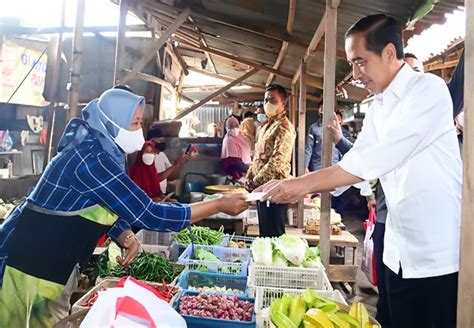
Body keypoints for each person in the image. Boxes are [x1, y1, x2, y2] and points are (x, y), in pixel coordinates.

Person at [256, 14, 461, 328]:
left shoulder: (428, 91)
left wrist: (300, 183)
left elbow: (375, 159)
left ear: (390, 53)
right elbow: (361, 154)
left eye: (360, 62)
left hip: (434, 257)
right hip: (396, 250)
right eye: (352, 64)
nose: (355, 74)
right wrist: (303, 184)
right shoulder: (380, 105)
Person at [0, 88, 248, 326]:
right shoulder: (91, 159)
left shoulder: (102, 150)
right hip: (31, 265)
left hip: (56, 261)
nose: (139, 132)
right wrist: (217, 205)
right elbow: (150, 214)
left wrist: (123, 232)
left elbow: (100, 201)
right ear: (110, 122)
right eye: (135, 123)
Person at [246, 84, 295, 237]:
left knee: (275, 234)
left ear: (283, 103)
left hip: (276, 190)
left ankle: (275, 261)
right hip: (261, 189)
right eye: (266, 99)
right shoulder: (265, 126)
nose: (268, 103)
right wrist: (249, 175)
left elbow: (277, 162)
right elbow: (258, 157)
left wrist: (256, 181)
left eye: (273, 100)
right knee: (264, 232)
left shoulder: (284, 127)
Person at [146, 127, 189, 194]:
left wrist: (181, 163)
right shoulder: (147, 158)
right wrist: (174, 165)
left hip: (161, 194)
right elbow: (155, 179)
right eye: (160, 140)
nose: (163, 142)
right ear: (151, 141)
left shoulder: (162, 155)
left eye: (164, 140)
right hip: (151, 195)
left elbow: (171, 177)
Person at [304, 101, 342, 173]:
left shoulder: (336, 127)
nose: (323, 110)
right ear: (319, 111)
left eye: (325, 108)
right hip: (318, 165)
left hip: (335, 164)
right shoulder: (313, 128)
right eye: (321, 108)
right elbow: (309, 148)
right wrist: (305, 166)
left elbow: (341, 147)